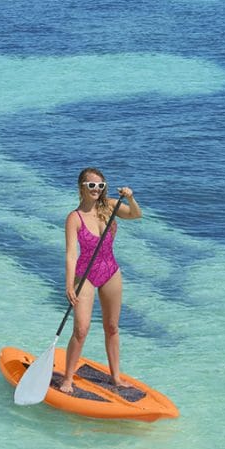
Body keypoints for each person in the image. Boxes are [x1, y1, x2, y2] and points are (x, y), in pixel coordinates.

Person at [60, 167, 144, 398]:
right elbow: (70, 254)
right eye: (91, 186)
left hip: (110, 272)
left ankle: (115, 377)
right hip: (84, 275)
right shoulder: (74, 218)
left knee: (112, 327)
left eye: (100, 185)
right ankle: (67, 378)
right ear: (81, 188)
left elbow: (136, 215)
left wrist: (130, 198)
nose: (96, 189)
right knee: (81, 329)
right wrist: (69, 285)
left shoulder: (109, 207)